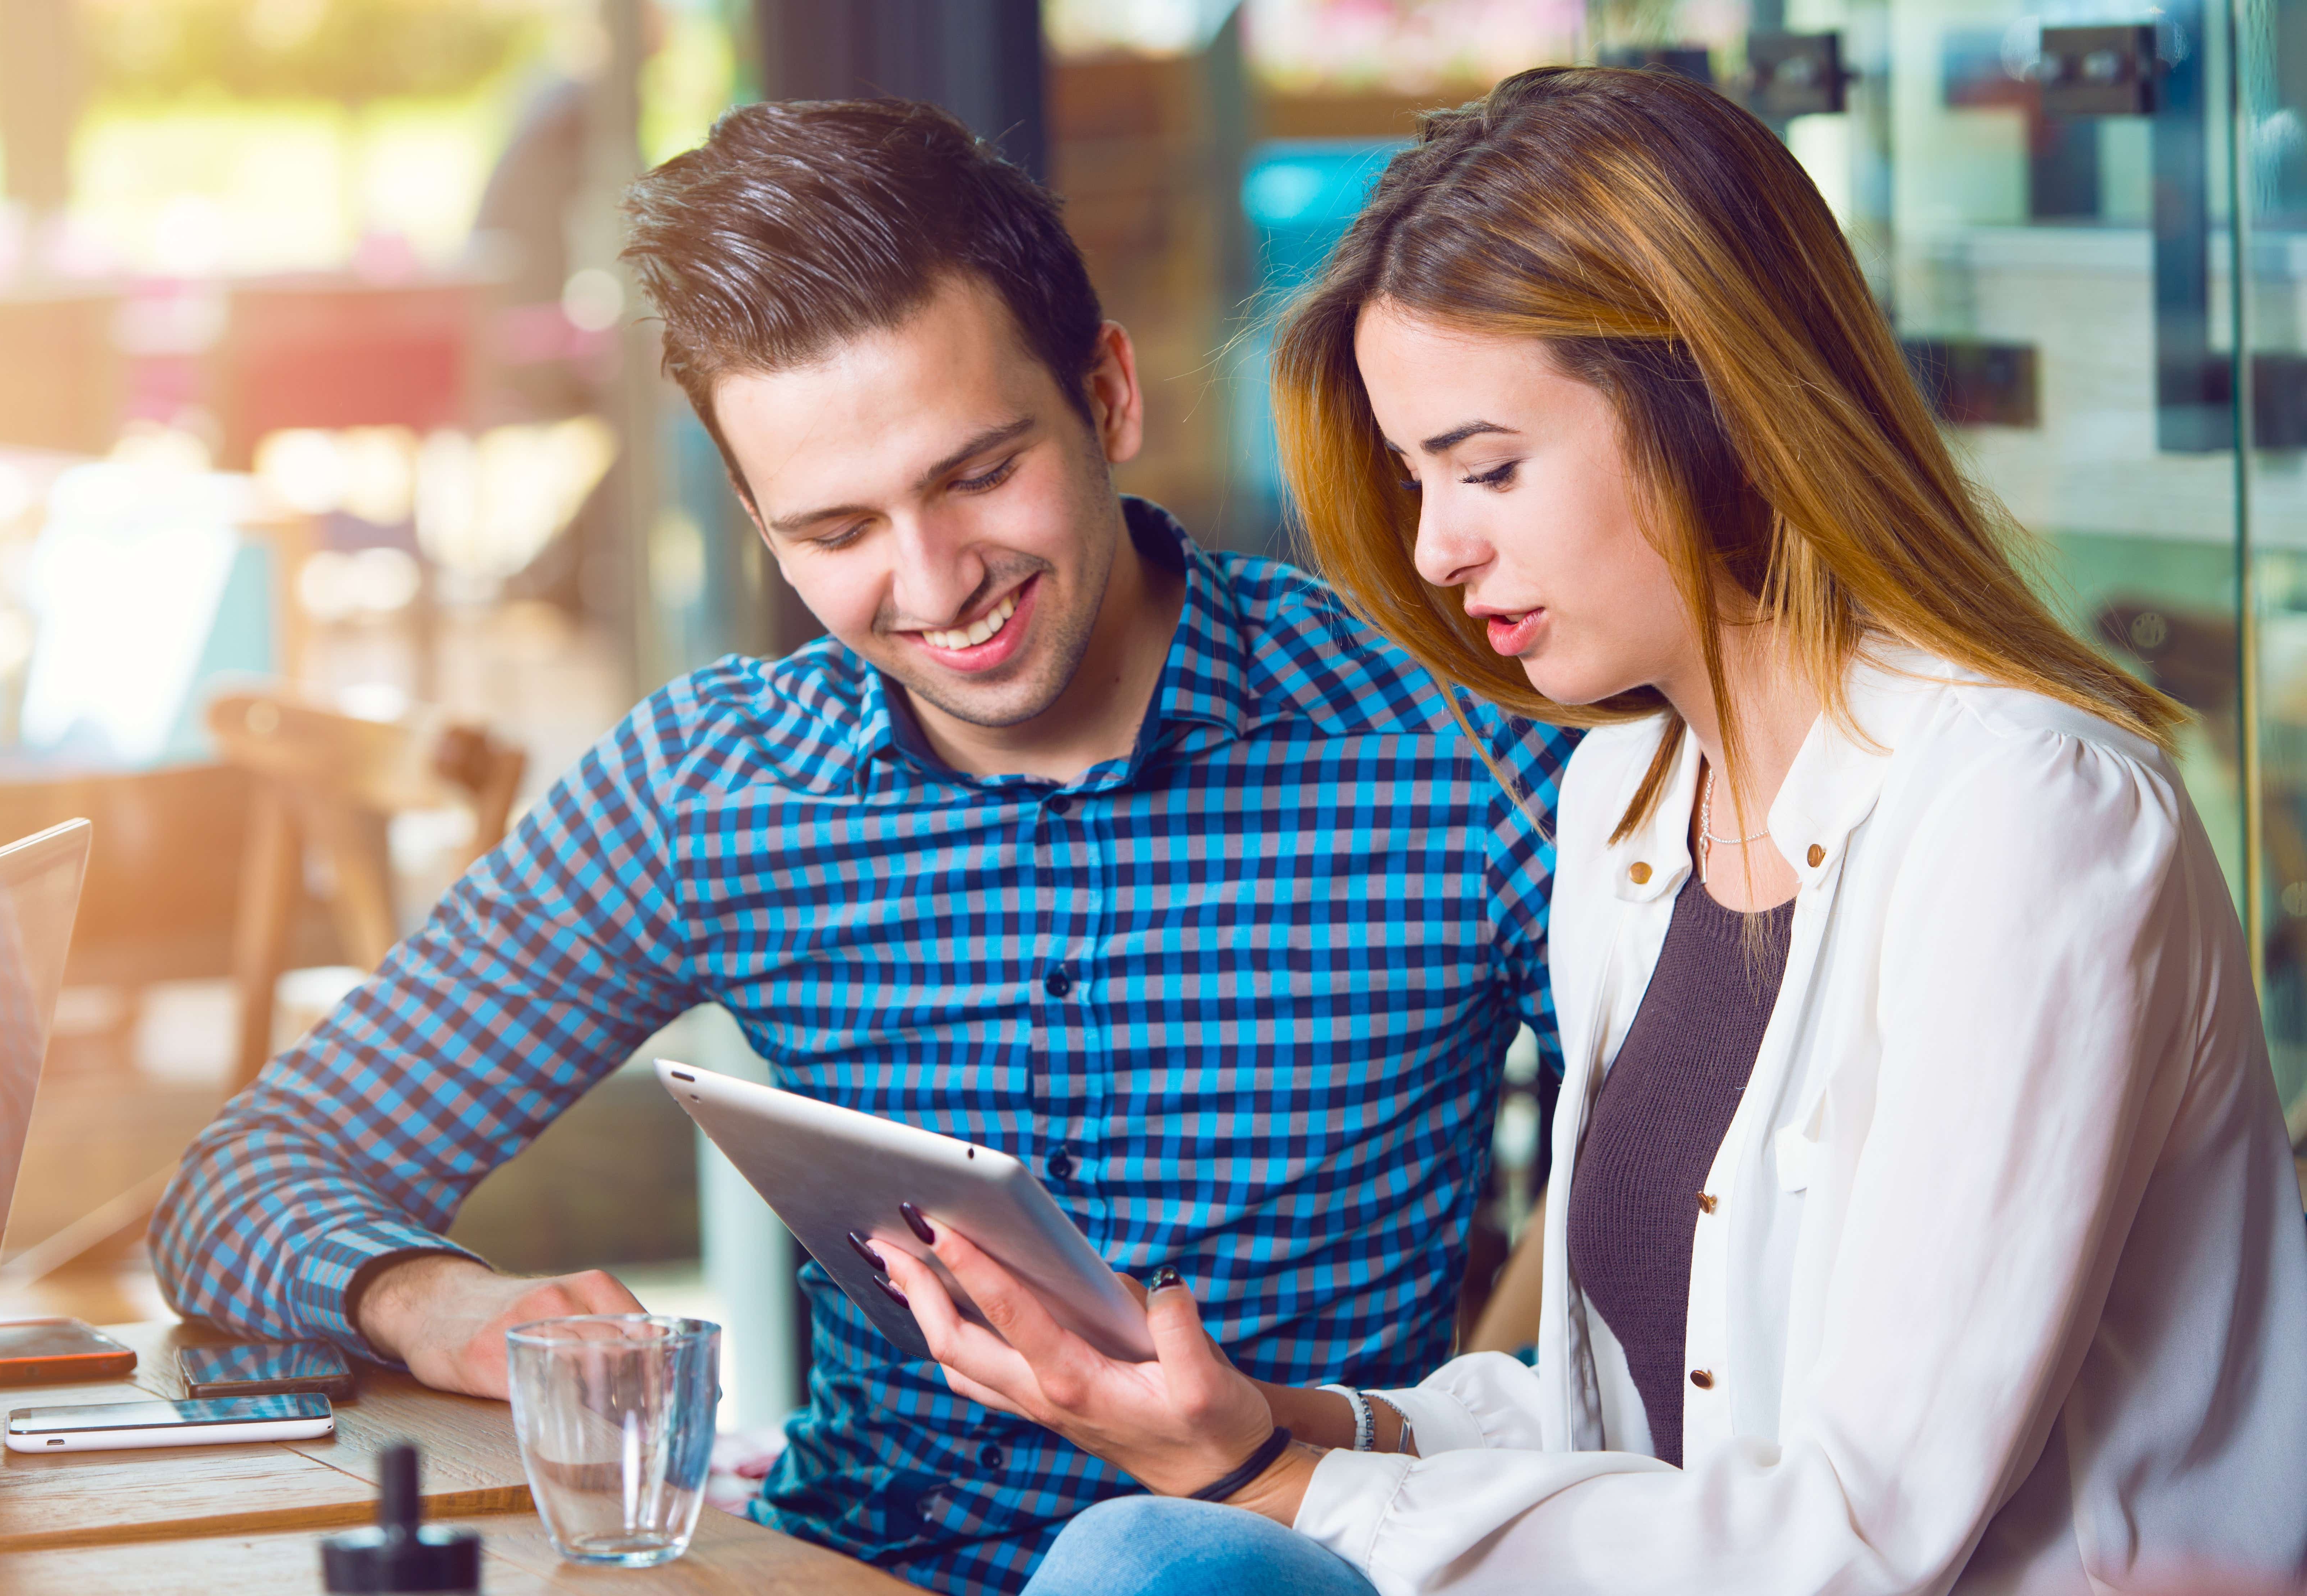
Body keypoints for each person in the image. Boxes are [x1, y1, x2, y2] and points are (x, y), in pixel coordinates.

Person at [875, 66, 2307, 1596]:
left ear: (1716, 405)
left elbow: (1850, 1536)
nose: (1434, 547)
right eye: (1418, 475)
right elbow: (1626, 1423)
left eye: (1486, 466)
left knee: (1144, 1555)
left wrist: (1267, 1482)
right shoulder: (1625, 798)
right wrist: (1285, 1419)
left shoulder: (2024, 815)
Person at [147, 99, 1578, 1596]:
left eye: (975, 475)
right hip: (840, 1561)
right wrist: (421, 1294)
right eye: (835, 529)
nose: (935, 582)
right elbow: (248, 1176)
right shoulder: (713, 783)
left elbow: (1708, 1249)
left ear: (1105, 392)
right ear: (759, 527)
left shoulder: (1451, 736)